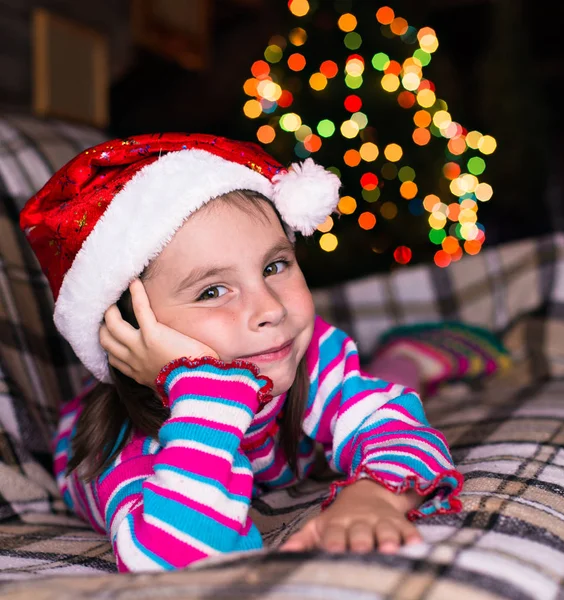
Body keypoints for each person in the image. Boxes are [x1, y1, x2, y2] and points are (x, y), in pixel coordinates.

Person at [20, 133, 463, 573]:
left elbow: (394, 425)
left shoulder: (300, 350)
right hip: (133, 411)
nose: (270, 308)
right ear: (131, 330)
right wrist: (204, 392)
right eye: (213, 291)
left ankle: (410, 356)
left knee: (392, 386)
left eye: (275, 266)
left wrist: (372, 497)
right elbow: (179, 557)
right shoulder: (125, 450)